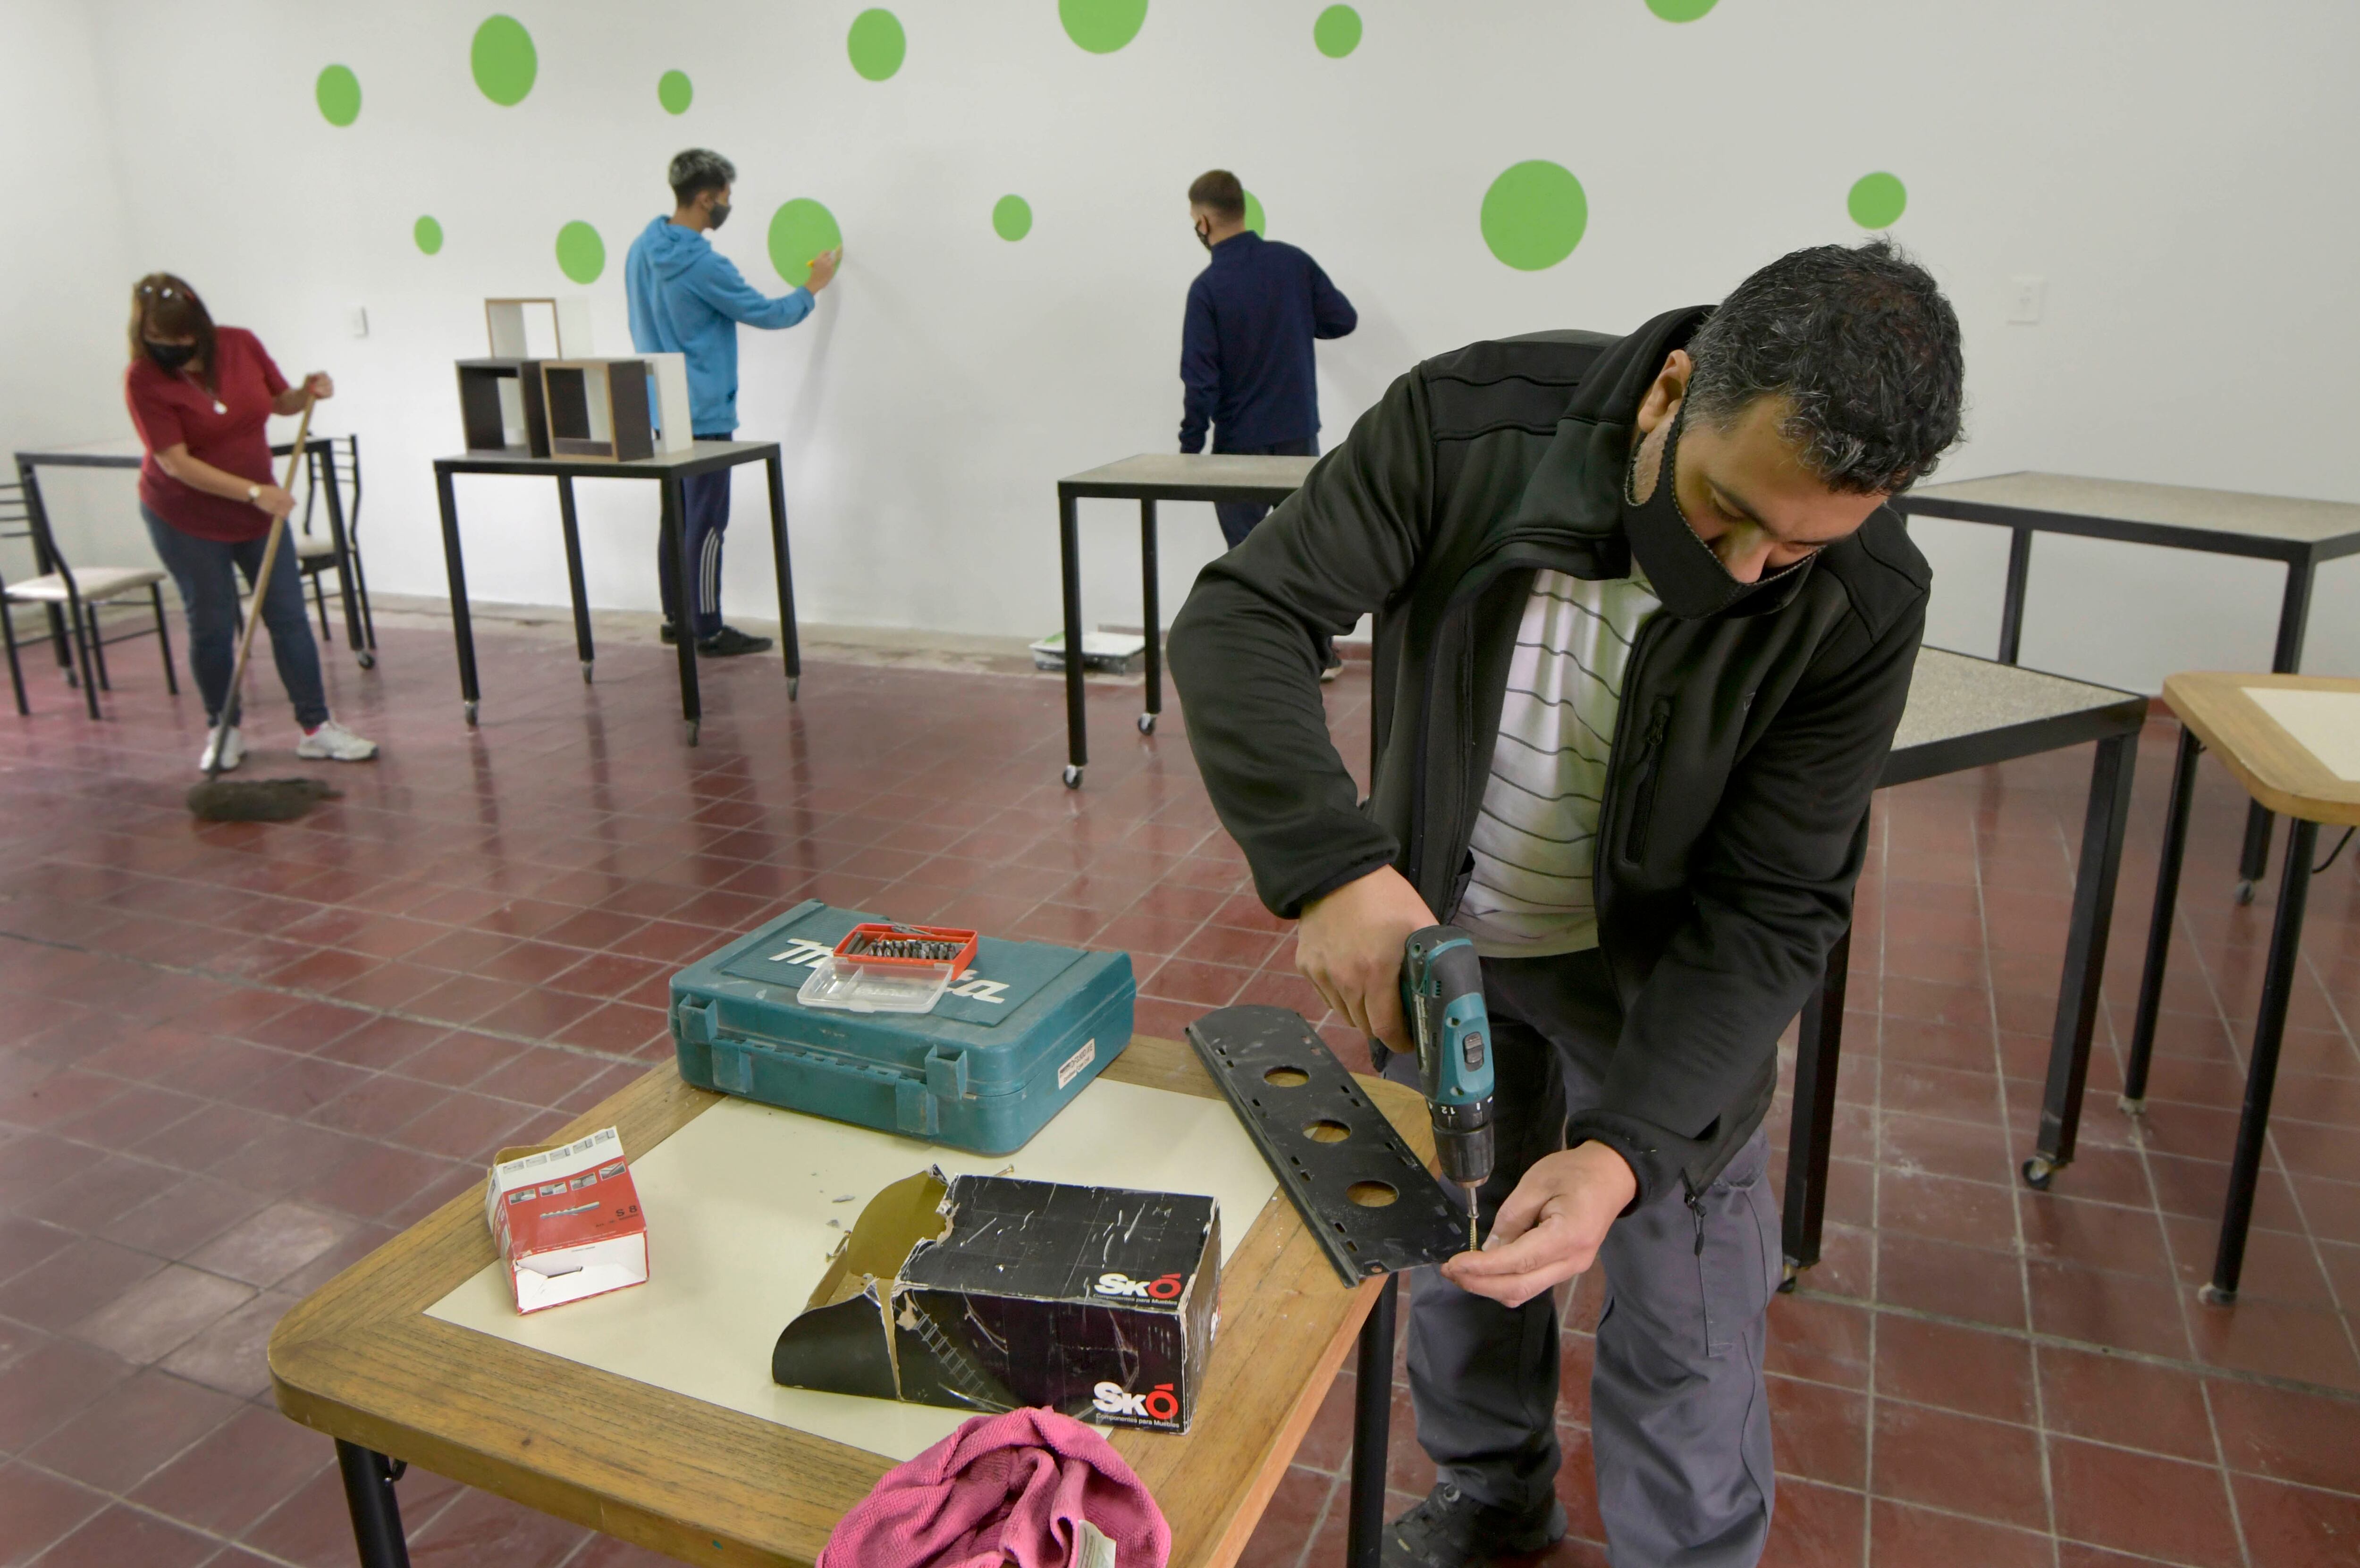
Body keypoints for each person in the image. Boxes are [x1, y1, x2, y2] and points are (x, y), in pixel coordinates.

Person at [1168, 240, 1963, 1568]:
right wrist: (1334, 867)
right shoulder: (1465, 428)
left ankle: (1690, 1552)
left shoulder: (1868, 597)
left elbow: (1775, 906)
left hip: (1663, 1005)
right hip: (1460, 967)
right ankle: (1492, 1495)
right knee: (1470, 1261)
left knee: (1685, 1328)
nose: (1750, 568)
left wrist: (1629, 1147)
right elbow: (1244, 619)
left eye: (1797, 546)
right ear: (1669, 391)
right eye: (1724, 513)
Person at [122, 274, 378, 773]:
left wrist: (308, 393)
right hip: (185, 516)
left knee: (288, 616)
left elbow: (279, 401)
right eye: (160, 339)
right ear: (144, 333)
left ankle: (316, 727)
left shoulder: (239, 344)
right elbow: (174, 462)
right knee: (213, 624)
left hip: (258, 513)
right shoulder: (143, 378)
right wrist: (256, 492)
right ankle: (224, 727)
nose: (174, 347)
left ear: (200, 326)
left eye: (182, 337)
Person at [625, 148, 840, 657]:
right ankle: (709, 627)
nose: (727, 205)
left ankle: (677, 618)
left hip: (662, 407)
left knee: (674, 515)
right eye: (724, 197)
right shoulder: (702, 265)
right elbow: (767, 314)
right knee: (707, 521)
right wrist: (814, 285)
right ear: (705, 199)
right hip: (704, 411)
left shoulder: (641, 248)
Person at [1178, 169, 1357, 676]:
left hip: (1238, 445)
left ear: (1203, 220)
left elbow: (1201, 380)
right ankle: (1320, 654)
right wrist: (1293, 317)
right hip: (1298, 434)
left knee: (1246, 558)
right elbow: (1342, 319)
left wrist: (1189, 448)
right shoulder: (1292, 263)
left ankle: (1267, 657)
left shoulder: (1208, 288)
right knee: (1304, 548)